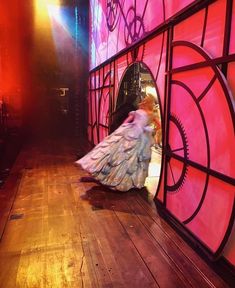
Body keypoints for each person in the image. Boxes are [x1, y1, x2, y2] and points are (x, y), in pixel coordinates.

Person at [75, 94, 158, 192]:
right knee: (133, 158)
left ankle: (114, 177)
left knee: (123, 155)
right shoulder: (150, 114)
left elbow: (126, 122)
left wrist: (123, 129)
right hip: (140, 135)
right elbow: (159, 125)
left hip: (133, 133)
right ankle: (127, 180)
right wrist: (149, 129)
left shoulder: (138, 112)